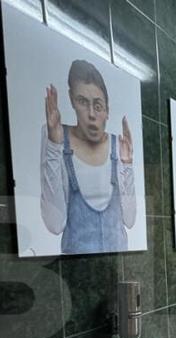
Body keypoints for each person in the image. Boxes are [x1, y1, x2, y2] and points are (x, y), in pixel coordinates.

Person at [40, 59, 136, 254]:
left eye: (98, 106)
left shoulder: (119, 146)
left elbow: (130, 219)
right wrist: (53, 146)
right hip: (77, 266)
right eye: (83, 102)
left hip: (119, 262)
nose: (91, 114)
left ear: (107, 110)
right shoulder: (57, 137)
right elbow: (54, 224)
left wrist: (127, 165)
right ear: (72, 100)